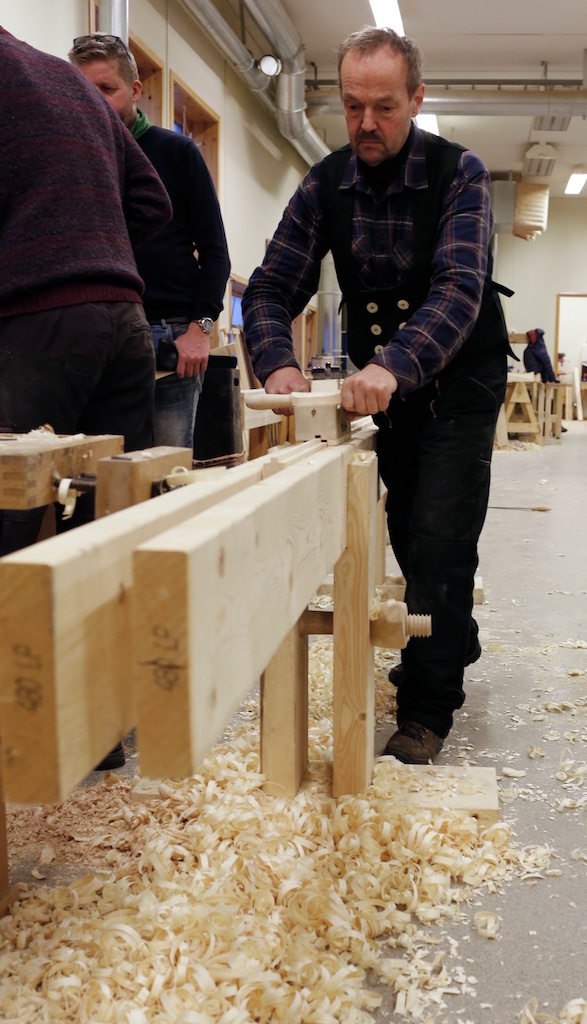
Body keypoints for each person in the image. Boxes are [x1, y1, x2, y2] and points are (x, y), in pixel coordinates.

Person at [242, 26, 511, 765]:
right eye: (352, 106)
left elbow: (459, 289)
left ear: (416, 100)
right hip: (383, 390)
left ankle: (426, 707)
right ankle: (450, 630)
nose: (366, 123)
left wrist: (392, 364)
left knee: (438, 532)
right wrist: (276, 366)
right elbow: (268, 288)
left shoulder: (460, 173)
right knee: (409, 534)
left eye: (384, 107)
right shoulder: (325, 182)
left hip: (458, 376)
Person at [0, 26, 172, 771]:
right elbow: (149, 199)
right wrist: (92, 245)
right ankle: (100, 734)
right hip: (123, 320)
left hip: (41, 324)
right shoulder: (63, 79)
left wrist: (40, 253)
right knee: (103, 526)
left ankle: (17, 733)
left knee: (9, 518)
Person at [69, 33, 231, 450]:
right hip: (93, 338)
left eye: (107, 89)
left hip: (170, 341)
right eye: (84, 90)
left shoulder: (178, 153)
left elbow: (216, 253)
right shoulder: (71, 159)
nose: (96, 101)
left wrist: (200, 330)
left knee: (166, 476)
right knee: (94, 474)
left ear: (135, 90)